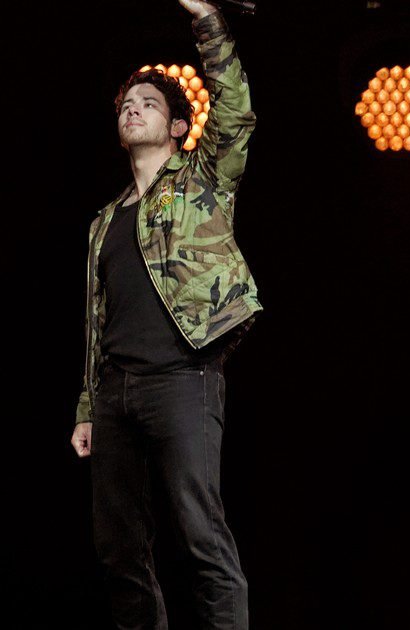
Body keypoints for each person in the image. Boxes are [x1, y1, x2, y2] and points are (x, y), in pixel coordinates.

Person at [70, 1, 260, 627]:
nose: (133, 108)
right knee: (118, 549)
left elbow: (234, 111)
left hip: (182, 377)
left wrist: (207, 21)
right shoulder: (104, 221)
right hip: (116, 392)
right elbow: (96, 321)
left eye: (148, 103)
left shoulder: (202, 182)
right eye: (126, 104)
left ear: (178, 126)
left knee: (202, 539)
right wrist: (88, 407)